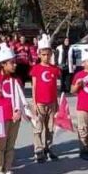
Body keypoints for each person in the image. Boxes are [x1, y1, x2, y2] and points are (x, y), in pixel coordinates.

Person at [0, 44, 25, 174]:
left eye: (15, 62)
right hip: (0, 118)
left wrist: (19, 111)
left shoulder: (17, 80)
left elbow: (21, 98)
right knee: (0, 146)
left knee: (11, 145)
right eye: (11, 63)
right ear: (3, 64)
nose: (14, 65)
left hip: (15, 116)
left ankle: (8, 168)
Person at [30, 34, 61, 163]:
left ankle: (49, 147)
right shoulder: (36, 69)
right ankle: (38, 149)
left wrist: (57, 102)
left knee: (50, 127)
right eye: (43, 54)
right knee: (38, 127)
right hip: (40, 103)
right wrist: (34, 103)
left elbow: (55, 87)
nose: (46, 57)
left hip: (52, 102)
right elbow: (34, 86)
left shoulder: (54, 69)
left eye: (48, 54)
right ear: (39, 55)